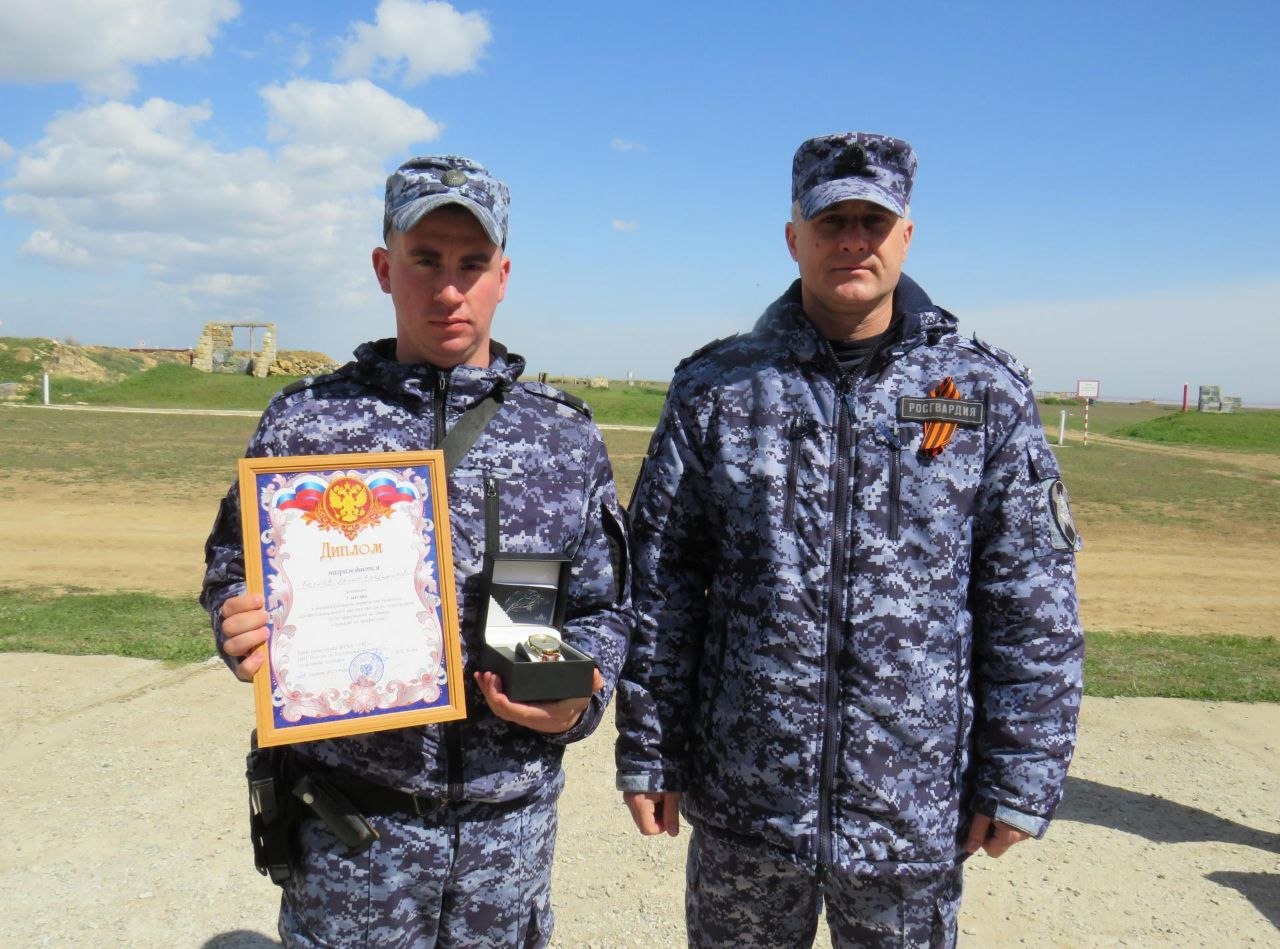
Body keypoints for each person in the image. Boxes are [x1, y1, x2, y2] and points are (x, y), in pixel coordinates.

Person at [614, 132, 1084, 948]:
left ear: (907, 236)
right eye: (832, 221)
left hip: (911, 812)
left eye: (875, 221)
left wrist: (1021, 770)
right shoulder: (718, 389)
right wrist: (652, 749)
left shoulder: (982, 391)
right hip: (748, 811)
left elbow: (1029, 595)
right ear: (794, 237)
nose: (853, 241)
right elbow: (662, 583)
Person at [202, 155, 630, 948]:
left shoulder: (563, 436)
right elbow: (233, 566)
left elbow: (606, 606)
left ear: (503, 275)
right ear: (382, 267)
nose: (449, 289)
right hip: (354, 834)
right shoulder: (307, 423)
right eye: (424, 260)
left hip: (506, 839)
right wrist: (236, 620)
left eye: (472, 264)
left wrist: (579, 698)